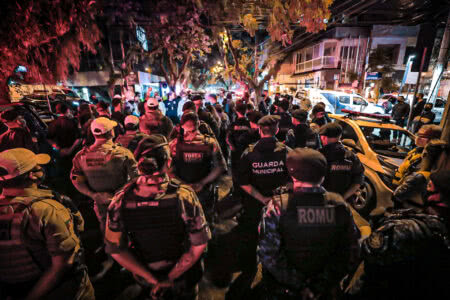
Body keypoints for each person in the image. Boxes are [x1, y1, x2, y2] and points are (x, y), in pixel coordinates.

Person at [105, 135, 210, 299]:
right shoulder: (183, 195)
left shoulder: (120, 199)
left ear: (138, 165)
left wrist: (152, 279)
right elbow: (199, 244)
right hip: (182, 276)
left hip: (145, 274)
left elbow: (116, 249)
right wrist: (169, 278)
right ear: (168, 163)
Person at [258, 148, 361, 299]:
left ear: (293, 175)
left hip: (287, 290)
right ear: (323, 176)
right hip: (323, 290)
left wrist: (300, 285)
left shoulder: (278, 206)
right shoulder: (339, 205)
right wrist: (320, 284)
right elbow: (351, 251)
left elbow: (268, 254)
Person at [0, 148, 94, 299]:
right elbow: (64, 263)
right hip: (56, 289)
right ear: (32, 175)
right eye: (38, 167)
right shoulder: (45, 209)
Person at [228, 115, 291, 299]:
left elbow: (243, 183)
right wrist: (275, 197)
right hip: (280, 205)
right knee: (278, 239)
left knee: (252, 237)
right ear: (277, 130)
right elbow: (292, 181)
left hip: (254, 206)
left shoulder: (249, 153)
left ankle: (251, 269)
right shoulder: (287, 152)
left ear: (259, 130)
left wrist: (262, 198)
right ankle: (271, 273)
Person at [71, 117, 138, 279]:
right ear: (110, 132)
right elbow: (136, 178)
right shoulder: (122, 153)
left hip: (99, 203)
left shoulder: (81, 156)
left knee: (105, 227)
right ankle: (128, 262)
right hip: (122, 201)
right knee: (126, 229)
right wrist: (119, 193)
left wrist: (94, 195)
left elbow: (76, 180)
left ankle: (111, 256)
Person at [169, 112, 227, 217]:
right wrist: (184, 185)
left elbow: (220, 167)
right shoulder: (174, 144)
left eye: (192, 131)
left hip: (204, 191)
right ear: (181, 127)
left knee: (206, 218)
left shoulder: (209, 143)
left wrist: (202, 183)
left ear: (198, 124)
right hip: (182, 191)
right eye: (185, 131)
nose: (189, 135)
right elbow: (168, 170)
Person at [319, 123, 365, 202]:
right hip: (341, 203)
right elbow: (358, 180)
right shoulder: (351, 156)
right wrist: (343, 198)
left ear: (323, 137)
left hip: (320, 201)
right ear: (340, 136)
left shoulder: (319, 155)